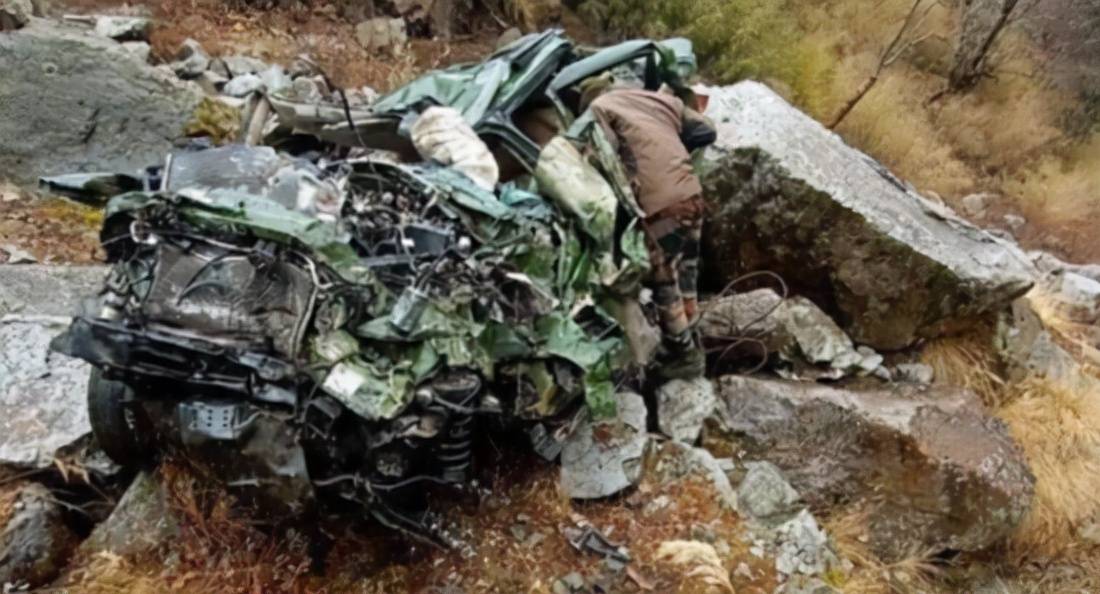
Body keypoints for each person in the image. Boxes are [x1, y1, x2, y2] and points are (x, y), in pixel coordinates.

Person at [578, 75, 716, 380]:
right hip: (691, 193)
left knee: (662, 275)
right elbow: (707, 130)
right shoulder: (657, 100)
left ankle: (684, 355)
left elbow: (602, 158)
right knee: (687, 266)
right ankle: (691, 330)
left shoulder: (600, 108)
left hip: (661, 206)